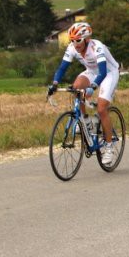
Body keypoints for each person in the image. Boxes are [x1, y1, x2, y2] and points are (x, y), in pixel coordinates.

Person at [48, 22, 120, 165]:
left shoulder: (96, 47)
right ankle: (86, 121)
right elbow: (62, 68)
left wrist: (93, 87)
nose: (75, 44)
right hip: (92, 72)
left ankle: (109, 145)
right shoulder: (72, 48)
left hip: (109, 73)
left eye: (78, 40)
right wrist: (55, 84)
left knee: (101, 108)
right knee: (76, 87)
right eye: (73, 40)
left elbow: (103, 72)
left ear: (87, 39)